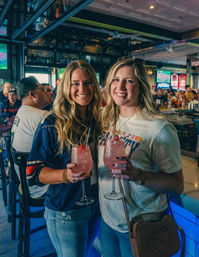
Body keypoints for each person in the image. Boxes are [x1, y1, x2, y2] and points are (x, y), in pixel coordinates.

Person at [98, 58, 184, 257]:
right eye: (115, 80)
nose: (120, 86)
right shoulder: (106, 118)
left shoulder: (159, 128)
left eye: (129, 81)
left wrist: (138, 175)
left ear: (141, 86)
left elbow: (177, 184)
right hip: (108, 221)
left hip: (140, 225)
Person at [27, 60, 102, 257]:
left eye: (87, 82)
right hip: (66, 211)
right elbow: (34, 173)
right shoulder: (51, 124)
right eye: (75, 83)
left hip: (94, 206)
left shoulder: (97, 121)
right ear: (66, 87)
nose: (82, 89)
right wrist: (65, 175)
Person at [11, 76, 50, 198]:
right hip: (39, 186)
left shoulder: (21, 112)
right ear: (32, 94)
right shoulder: (42, 117)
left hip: (23, 180)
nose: (46, 92)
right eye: (42, 89)